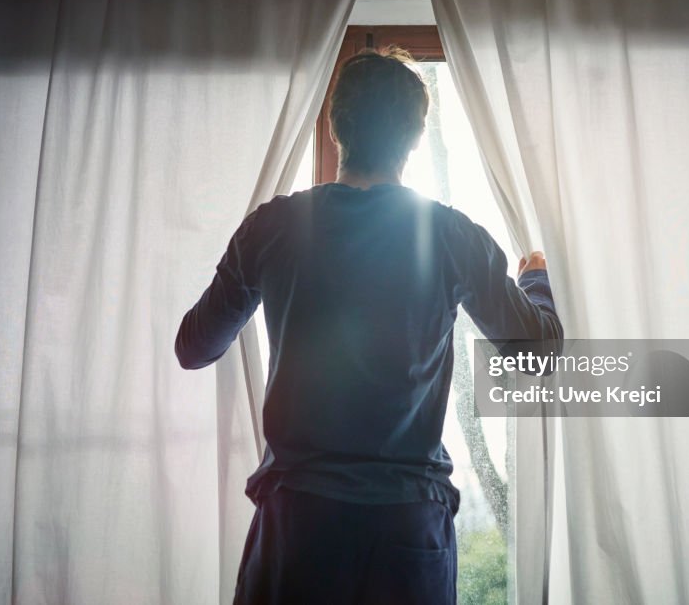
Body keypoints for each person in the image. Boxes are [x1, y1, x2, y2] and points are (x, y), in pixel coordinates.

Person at [175, 45, 563, 605]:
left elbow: (193, 347)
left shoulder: (274, 226)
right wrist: (537, 279)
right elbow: (541, 356)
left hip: (298, 526)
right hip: (404, 527)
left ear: (337, 128)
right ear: (413, 136)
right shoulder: (450, 234)